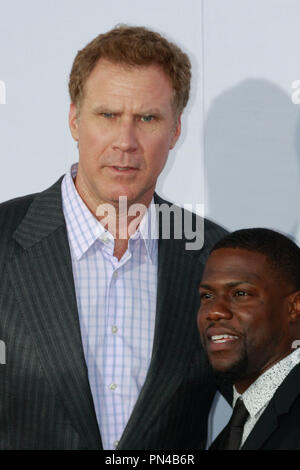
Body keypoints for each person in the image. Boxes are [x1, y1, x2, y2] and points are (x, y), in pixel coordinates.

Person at [0, 25, 227, 450]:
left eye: (147, 118)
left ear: (176, 130)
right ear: (74, 120)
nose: (126, 142)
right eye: (108, 115)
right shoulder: (4, 237)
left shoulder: (214, 256)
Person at [197, 228, 300, 450]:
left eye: (240, 294)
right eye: (207, 296)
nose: (214, 311)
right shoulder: (236, 429)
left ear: (294, 307)